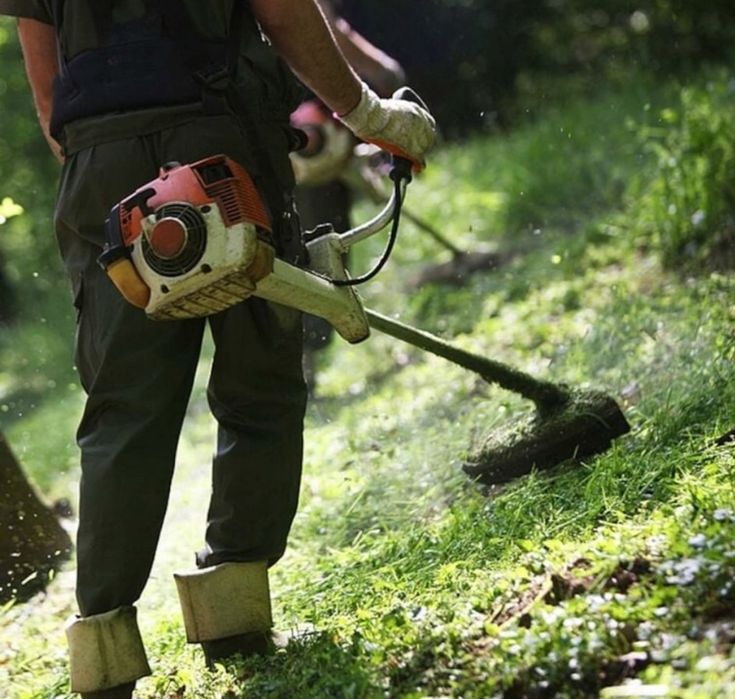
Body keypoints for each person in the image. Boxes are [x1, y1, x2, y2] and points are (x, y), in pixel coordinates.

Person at [0, 2, 435, 697]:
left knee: (123, 407)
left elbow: (46, 80)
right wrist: (369, 114)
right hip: (221, 129)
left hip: (98, 159)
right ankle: (233, 607)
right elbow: (285, 10)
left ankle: (103, 649)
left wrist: (108, 158)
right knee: (259, 371)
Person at [290, 0, 409, 389]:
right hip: (302, 136)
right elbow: (320, 24)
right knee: (320, 245)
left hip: (301, 128)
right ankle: (301, 364)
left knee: (308, 243)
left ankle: (303, 362)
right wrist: (379, 72)